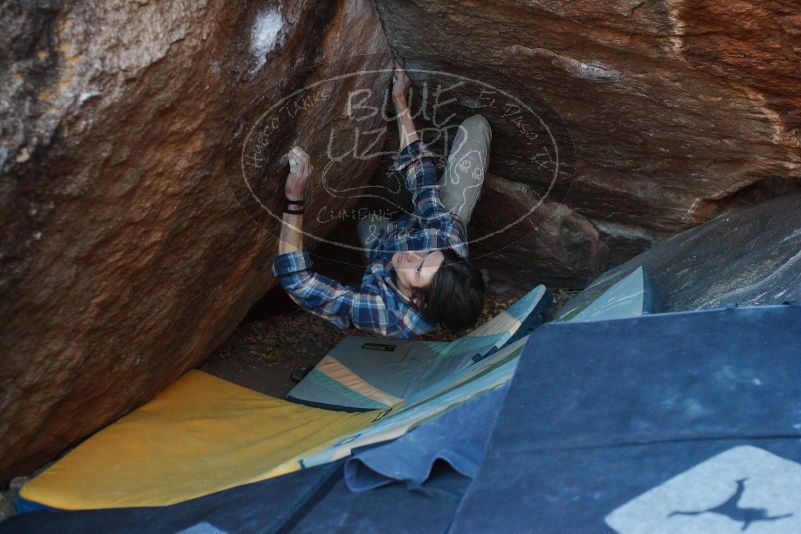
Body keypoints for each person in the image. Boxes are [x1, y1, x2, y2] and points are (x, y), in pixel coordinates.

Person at [272, 61, 491, 338]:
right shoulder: (443, 240)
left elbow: (297, 282)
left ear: (417, 301)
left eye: (418, 268)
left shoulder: (385, 314)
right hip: (434, 219)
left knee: (365, 222)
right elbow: (421, 178)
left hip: (383, 244)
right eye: (425, 255)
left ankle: (383, 231)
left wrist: (294, 197)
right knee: (476, 127)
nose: (414, 254)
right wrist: (400, 100)